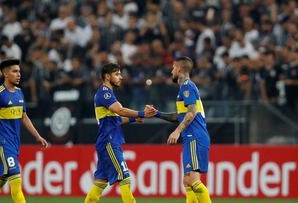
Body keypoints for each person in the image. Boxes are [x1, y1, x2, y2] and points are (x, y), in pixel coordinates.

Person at [0, 59, 48, 203]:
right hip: (2, 144)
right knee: (16, 181)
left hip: (14, 144)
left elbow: (24, 117)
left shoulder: (19, 93)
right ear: (6, 74)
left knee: (0, 180)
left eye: (19, 71)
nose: (19, 74)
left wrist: (38, 136)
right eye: (14, 71)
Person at [85, 63, 157, 203]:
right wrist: (142, 113)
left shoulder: (107, 93)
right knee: (125, 178)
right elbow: (120, 110)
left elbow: (116, 119)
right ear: (107, 76)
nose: (121, 77)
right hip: (109, 141)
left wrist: (134, 118)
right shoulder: (105, 93)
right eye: (117, 74)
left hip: (107, 140)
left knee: (100, 184)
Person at [152, 56, 211, 203]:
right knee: (188, 182)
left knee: (193, 181)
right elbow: (179, 116)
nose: (172, 71)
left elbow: (192, 112)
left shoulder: (187, 86)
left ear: (179, 69)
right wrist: (157, 113)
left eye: (173, 67)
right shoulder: (186, 87)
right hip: (192, 136)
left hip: (194, 136)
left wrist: (177, 131)